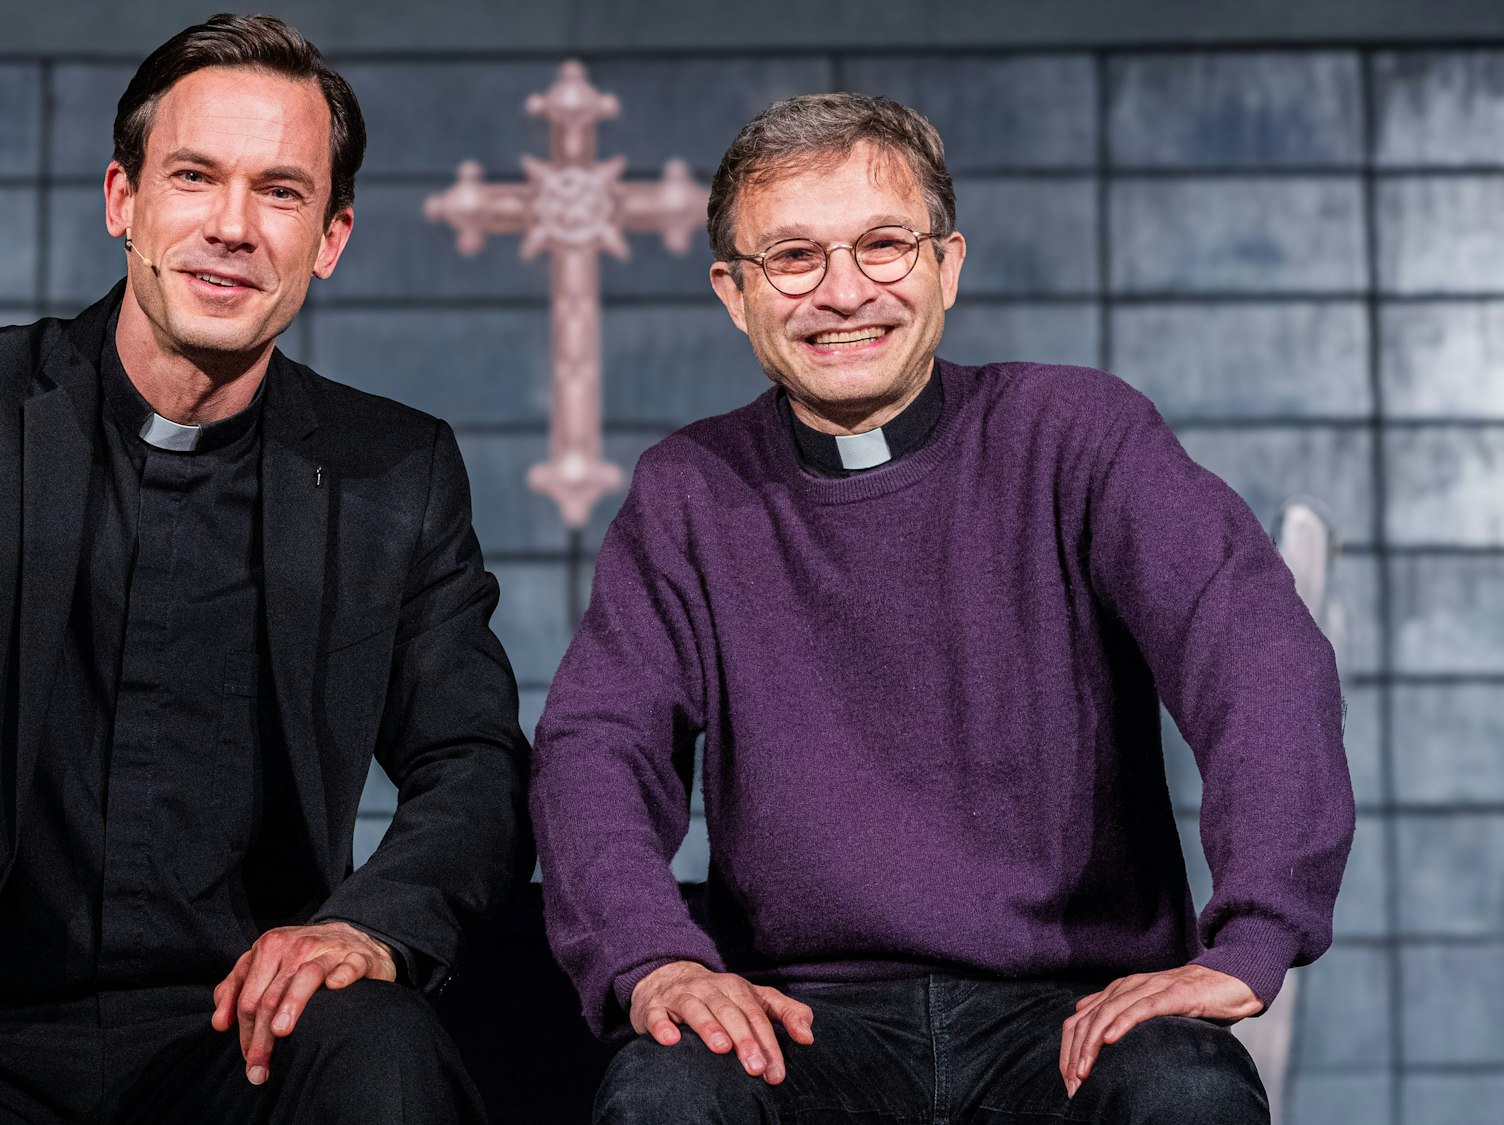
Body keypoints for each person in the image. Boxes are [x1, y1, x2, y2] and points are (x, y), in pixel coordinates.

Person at [0, 14, 529, 1124]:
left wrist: (363, 927)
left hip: (238, 1038)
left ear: (330, 238)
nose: (231, 227)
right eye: (192, 177)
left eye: (279, 192)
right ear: (123, 202)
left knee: (383, 1054)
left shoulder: (394, 472)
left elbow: (473, 761)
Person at [530, 91, 1353, 1124]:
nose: (841, 293)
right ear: (733, 294)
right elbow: (596, 745)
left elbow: (1252, 653)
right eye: (791, 258)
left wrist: (1254, 933)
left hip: (1072, 1016)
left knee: (1183, 1093)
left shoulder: (1077, 436)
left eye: (881, 246)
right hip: (800, 1023)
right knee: (663, 1094)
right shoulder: (689, 488)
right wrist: (649, 958)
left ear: (945, 266)